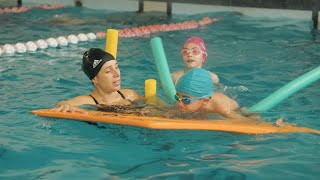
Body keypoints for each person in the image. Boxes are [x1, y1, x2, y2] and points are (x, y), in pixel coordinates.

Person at [53, 48, 143, 113]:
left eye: (116, 67)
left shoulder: (130, 95)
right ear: (95, 79)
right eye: (108, 71)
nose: (117, 74)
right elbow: (62, 104)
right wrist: (64, 105)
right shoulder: (89, 101)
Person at [174, 68, 257, 120]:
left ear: (205, 100)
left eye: (186, 100)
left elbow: (242, 121)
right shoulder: (189, 101)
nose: (179, 103)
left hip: (238, 106)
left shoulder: (220, 106)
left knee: (251, 115)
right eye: (177, 97)